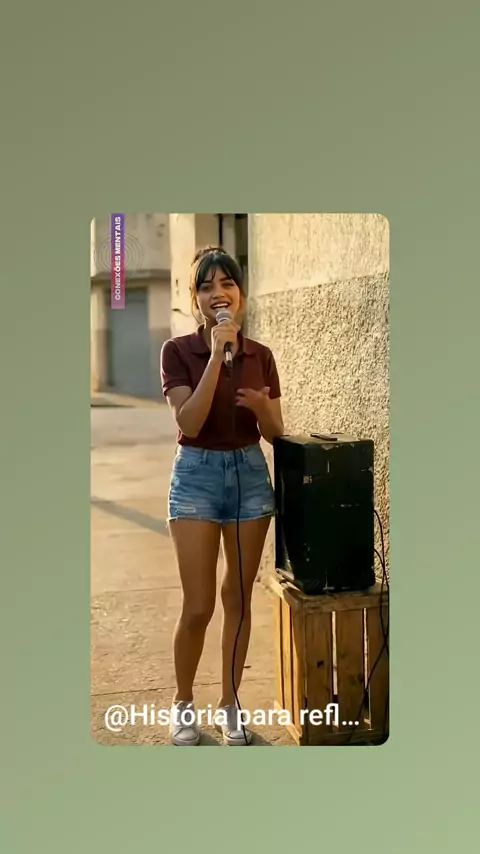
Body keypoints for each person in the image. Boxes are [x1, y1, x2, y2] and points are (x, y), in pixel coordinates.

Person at [160, 246, 284, 746]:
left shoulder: (261, 356)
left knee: (239, 598)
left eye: (227, 284)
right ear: (195, 299)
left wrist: (262, 409)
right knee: (199, 605)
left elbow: (275, 433)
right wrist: (215, 355)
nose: (218, 293)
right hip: (196, 475)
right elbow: (188, 422)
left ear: (241, 294)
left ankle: (230, 702)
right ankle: (182, 703)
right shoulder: (177, 352)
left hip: (249, 476)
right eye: (207, 286)